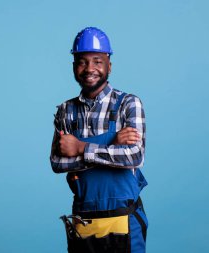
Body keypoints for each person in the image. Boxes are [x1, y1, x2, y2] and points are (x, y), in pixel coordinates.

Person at [50, 27, 148, 253]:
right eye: (82, 62)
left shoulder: (128, 104)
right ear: (74, 66)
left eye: (97, 61)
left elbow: (134, 156)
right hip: (84, 220)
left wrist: (80, 147)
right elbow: (57, 163)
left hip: (123, 218)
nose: (89, 69)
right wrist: (111, 146)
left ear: (109, 66)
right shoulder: (66, 111)